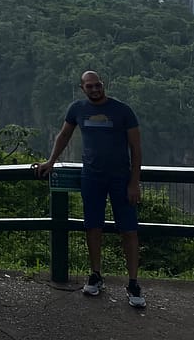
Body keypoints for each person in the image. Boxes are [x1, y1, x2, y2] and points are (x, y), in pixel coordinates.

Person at [35, 70, 146, 308]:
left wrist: (134, 182)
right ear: (82, 88)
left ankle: (134, 282)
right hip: (91, 177)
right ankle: (95, 275)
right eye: (90, 86)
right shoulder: (77, 109)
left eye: (98, 85)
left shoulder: (122, 110)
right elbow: (64, 135)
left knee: (128, 230)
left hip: (120, 178)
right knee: (92, 227)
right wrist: (51, 161)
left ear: (103, 85)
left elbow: (136, 149)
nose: (95, 89)